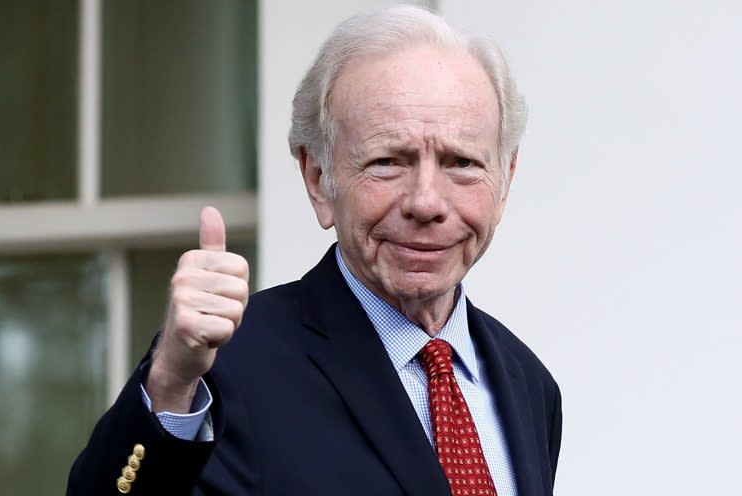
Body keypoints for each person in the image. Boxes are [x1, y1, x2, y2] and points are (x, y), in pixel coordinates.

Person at [68, 5, 561, 495]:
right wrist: (172, 379)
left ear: (505, 180)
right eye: (388, 161)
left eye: (462, 162)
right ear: (318, 179)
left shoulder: (529, 386)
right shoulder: (226, 368)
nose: (426, 202)